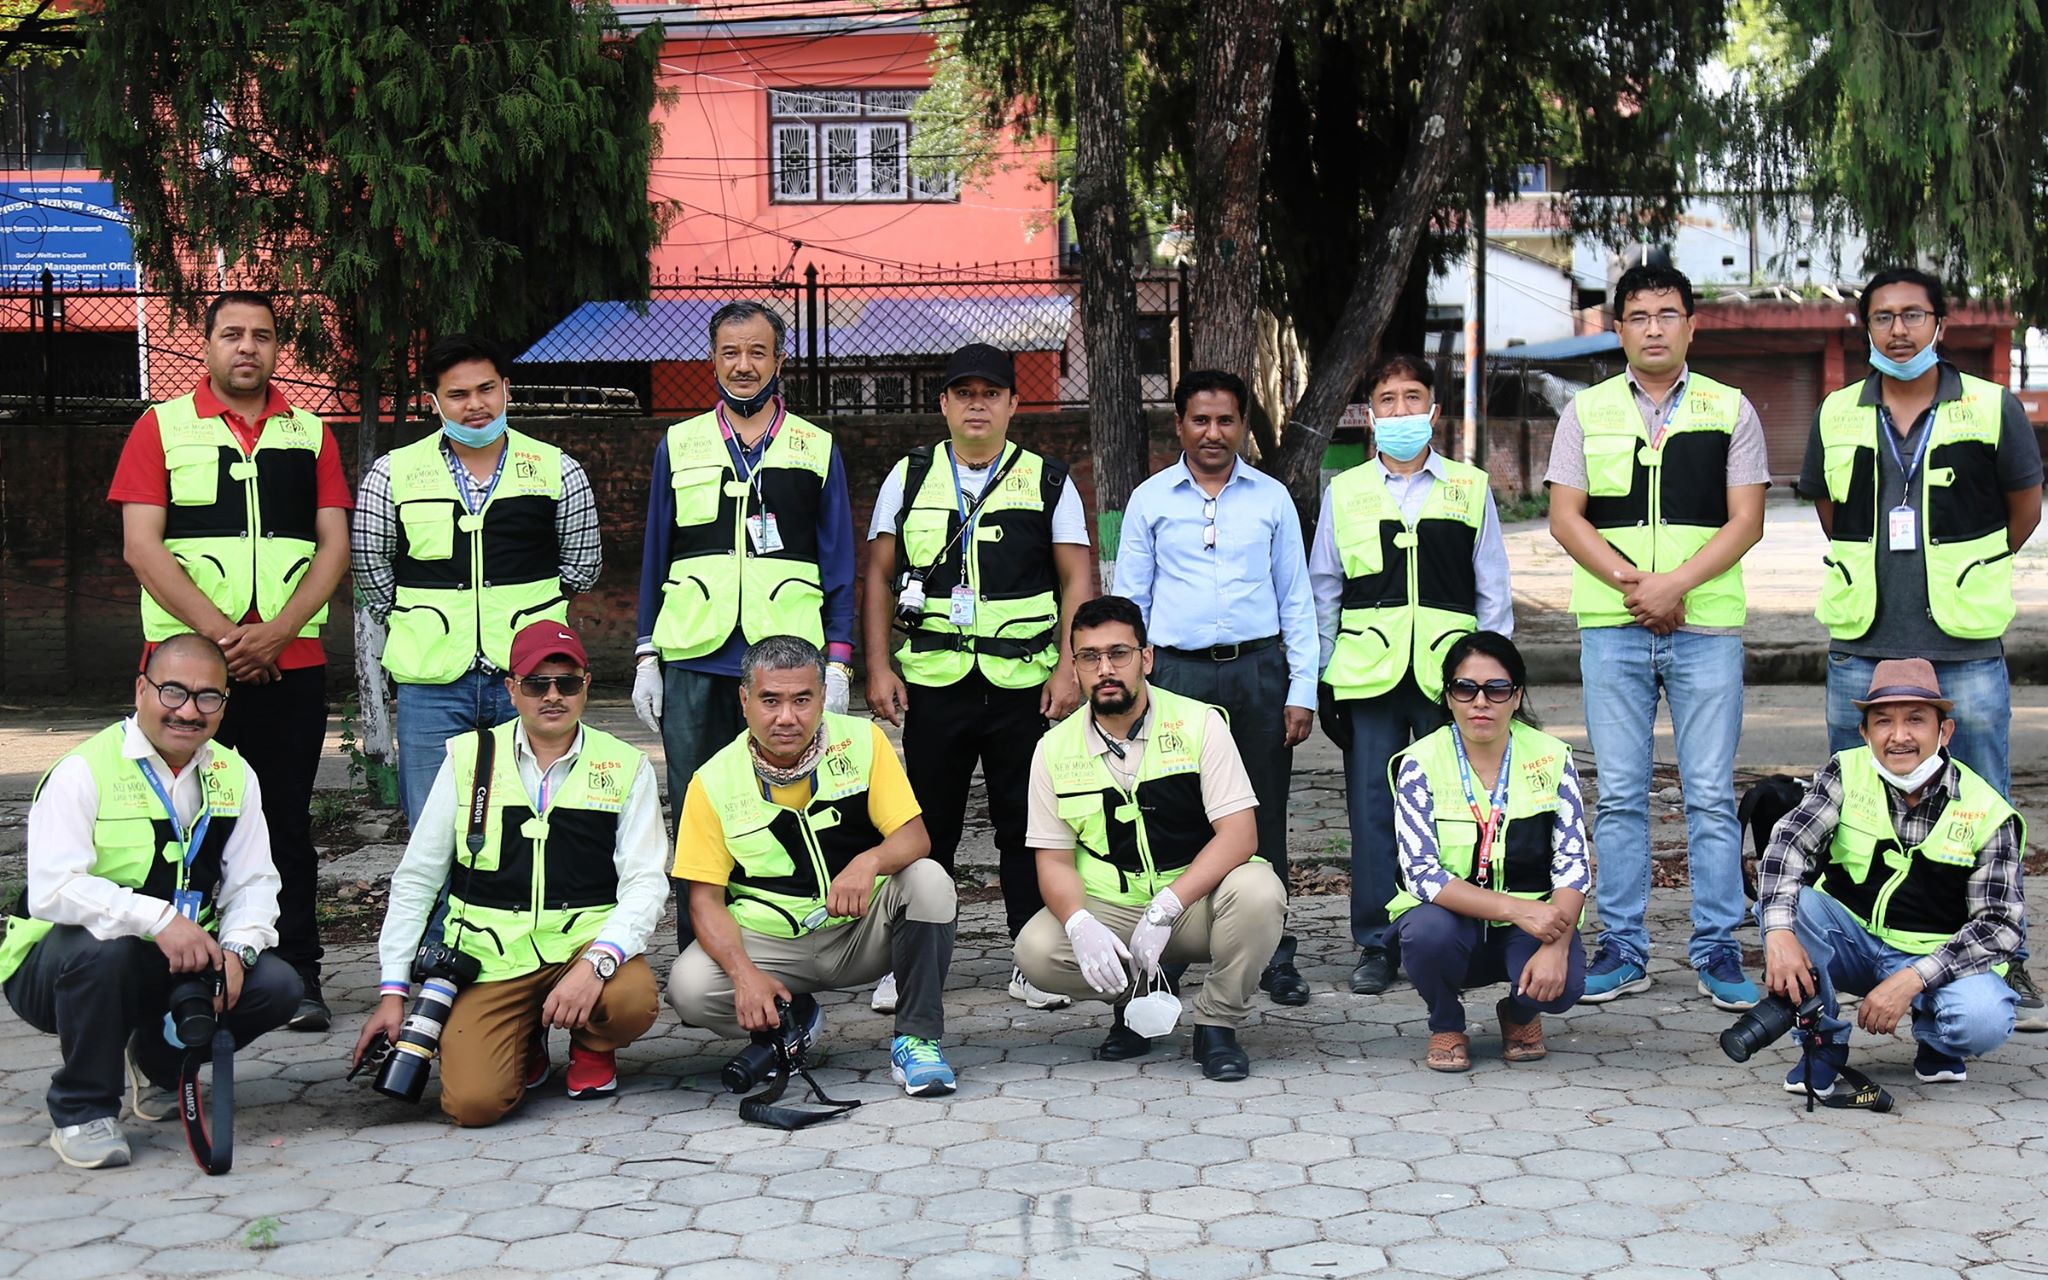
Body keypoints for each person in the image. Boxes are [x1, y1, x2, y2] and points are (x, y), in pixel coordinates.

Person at [1797, 266, 2047, 1029]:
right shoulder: (1838, 411)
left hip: (1963, 642)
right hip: (1863, 643)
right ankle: (1862, 948)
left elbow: (2024, 508)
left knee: (1983, 799)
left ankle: (2002, 962)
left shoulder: (1990, 407)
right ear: (1864, 326)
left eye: (1912, 315)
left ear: (1940, 322)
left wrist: (1964, 572)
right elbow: (1828, 507)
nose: (1897, 330)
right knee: (1853, 801)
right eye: (1883, 317)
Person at [109, 290, 351, 1031]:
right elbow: (140, 545)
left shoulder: (311, 433)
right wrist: (222, 638)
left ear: (279, 349)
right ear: (207, 345)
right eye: (232, 334)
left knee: (283, 819)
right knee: (178, 821)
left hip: (290, 660)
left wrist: (277, 633)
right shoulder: (161, 428)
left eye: (263, 336)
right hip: (188, 672)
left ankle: (298, 974)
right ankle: (174, 973)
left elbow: (333, 546)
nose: (247, 347)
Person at [1545, 263, 1768, 1009]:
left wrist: (1674, 586)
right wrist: (1634, 587)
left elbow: (1747, 520)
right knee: (1620, 798)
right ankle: (1624, 948)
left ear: (1691, 325)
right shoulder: (1588, 411)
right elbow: (1566, 517)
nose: (1653, 328)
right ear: (1618, 329)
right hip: (1613, 627)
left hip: (1706, 627)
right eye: (1637, 316)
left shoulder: (1730, 408)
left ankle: (1716, 950)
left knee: (1708, 795)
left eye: (1667, 314)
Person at [0, 635, 302, 1169]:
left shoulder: (233, 773)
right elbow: (52, 889)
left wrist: (238, 950)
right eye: (173, 692)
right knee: (105, 951)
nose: (189, 711)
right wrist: (158, 918)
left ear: (224, 704)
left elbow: (255, 881)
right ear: (141, 690)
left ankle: (159, 1065)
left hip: (174, 957)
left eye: (208, 697)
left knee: (276, 985)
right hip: (59, 967)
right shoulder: (84, 770)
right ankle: (83, 1110)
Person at [351, 622, 665, 1127]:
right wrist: (392, 991)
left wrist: (596, 965)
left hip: (579, 946)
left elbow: (646, 883)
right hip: (489, 956)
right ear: (512, 689)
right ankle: (526, 1041)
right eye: (537, 684)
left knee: (630, 999)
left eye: (568, 682)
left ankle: (593, 1045)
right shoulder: (467, 757)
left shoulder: (626, 764)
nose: (553, 696)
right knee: (473, 1105)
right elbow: (417, 879)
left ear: (586, 685)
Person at [863, 342, 1093, 1013]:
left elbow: (1078, 576)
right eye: (963, 392)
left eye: (990, 393)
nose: (976, 404)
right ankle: (908, 963)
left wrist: (1068, 667)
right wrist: (878, 665)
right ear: (943, 403)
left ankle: (1032, 958)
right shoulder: (907, 477)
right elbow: (878, 575)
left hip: (1023, 684)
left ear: (1013, 404)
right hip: (934, 681)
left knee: (1027, 825)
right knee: (924, 824)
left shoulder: (1049, 480)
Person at [632, 300, 858, 953]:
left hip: (784, 664)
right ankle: (701, 952)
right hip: (695, 659)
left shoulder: (816, 448)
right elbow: (655, 552)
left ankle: (785, 949)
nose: (743, 365)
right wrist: (648, 652)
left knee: (786, 806)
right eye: (730, 352)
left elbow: (839, 562)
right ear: (713, 359)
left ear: (779, 360)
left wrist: (838, 661)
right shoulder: (679, 444)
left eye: (757, 352)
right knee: (700, 809)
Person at [668, 635, 959, 1097]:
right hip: (772, 946)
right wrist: (744, 976)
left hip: (858, 931)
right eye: (770, 700)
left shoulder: (864, 741)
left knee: (929, 880)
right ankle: (793, 1015)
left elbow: (915, 837)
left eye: (803, 700)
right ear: (744, 700)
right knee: (689, 985)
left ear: (823, 697)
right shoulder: (712, 781)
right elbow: (703, 900)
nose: (787, 717)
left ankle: (917, 1039)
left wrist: (870, 861)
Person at [1014, 596, 1288, 1080]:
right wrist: (1079, 924)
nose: (1105, 669)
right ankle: (1136, 1005)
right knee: (1036, 950)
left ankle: (1217, 1022)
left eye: (1118, 654)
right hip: (1113, 906)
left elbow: (1241, 834)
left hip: (1194, 903)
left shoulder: (1199, 723)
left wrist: (1167, 906)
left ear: (1146, 658)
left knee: (1260, 893)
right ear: (1074, 668)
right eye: (1089, 657)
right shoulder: (1052, 749)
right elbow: (1053, 861)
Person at [1311, 354, 1514, 997]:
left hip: (1450, 678)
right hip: (1369, 675)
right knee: (1373, 808)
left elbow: (1495, 591)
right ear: (1371, 415)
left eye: (1412, 397)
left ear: (1434, 410)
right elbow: (1323, 588)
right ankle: (1377, 941)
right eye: (1388, 400)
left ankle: (1446, 929)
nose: (1400, 410)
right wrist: (1319, 674)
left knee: (1449, 809)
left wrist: (1494, 678)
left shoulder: (1469, 486)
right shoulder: (1344, 491)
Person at [1116, 369, 1317, 1005]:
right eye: (1200, 420)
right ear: (1179, 425)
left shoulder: (1271, 499)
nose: (1213, 432)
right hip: (1175, 676)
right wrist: (1131, 684)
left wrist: (1301, 689)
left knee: (1263, 815)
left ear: (1242, 426)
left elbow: (1298, 599)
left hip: (1259, 674)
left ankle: (1274, 953)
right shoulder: (1151, 500)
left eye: (1226, 420)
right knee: (1176, 813)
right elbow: (1131, 602)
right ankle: (1169, 953)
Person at [352, 333, 603, 827]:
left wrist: (525, 617)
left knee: (532, 813)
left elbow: (582, 567)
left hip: (531, 674)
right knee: (432, 822)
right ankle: (445, 908)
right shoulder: (392, 473)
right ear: (434, 402)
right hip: (431, 678)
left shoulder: (557, 469)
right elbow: (372, 569)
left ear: (506, 389)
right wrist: (425, 620)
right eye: (458, 395)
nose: (475, 405)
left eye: (486, 389)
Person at [1755, 659, 2022, 1094]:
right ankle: (1821, 1042)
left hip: (1933, 957)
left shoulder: (1987, 811)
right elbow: (1787, 845)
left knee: (1984, 1019)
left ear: (1945, 732)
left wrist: (1913, 978)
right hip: (1851, 940)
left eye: (1916, 720)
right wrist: (1778, 934)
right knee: (1786, 908)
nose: (1899, 736)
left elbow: (2000, 927)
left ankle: (1937, 1038)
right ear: (1865, 733)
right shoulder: (1847, 770)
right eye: (1884, 722)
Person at [1386, 632, 1587, 1071]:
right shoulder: (1420, 761)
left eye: (1496, 689)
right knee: (1424, 935)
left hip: (1529, 925)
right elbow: (1422, 873)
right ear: (1449, 696)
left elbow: (1573, 865)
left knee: (1566, 984)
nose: (1481, 702)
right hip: (1451, 921)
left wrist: (1557, 945)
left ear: (1516, 697)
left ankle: (1519, 1013)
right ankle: (1446, 1022)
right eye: (1466, 688)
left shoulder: (1551, 757)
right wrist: (1515, 909)